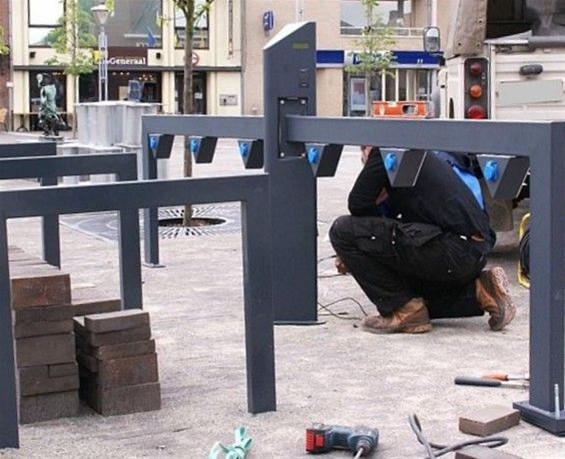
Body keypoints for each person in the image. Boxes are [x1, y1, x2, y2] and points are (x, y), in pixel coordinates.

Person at [329, 146, 515, 334]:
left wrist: (362, 248)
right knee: (405, 292)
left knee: (342, 231)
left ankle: (405, 311)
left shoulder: (385, 150)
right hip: (470, 252)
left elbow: (358, 203)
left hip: (452, 250)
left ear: (366, 149)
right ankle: (481, 292)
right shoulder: (424, 155)